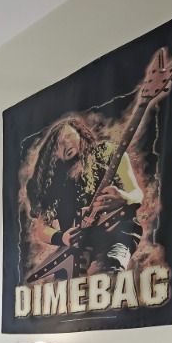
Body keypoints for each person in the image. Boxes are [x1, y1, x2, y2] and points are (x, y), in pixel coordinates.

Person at [26, 117, 145, 277]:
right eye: (58, 145)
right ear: (53, 155)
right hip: (78, 249)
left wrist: (123, 198)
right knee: (69, 288)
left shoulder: (108, 153)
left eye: (68, 137)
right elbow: (41, 228)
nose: (65, 144)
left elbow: (136, 193)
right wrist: (63, 237)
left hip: (115, 232)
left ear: (80, 133)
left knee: (107, 274)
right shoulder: (53, 183)